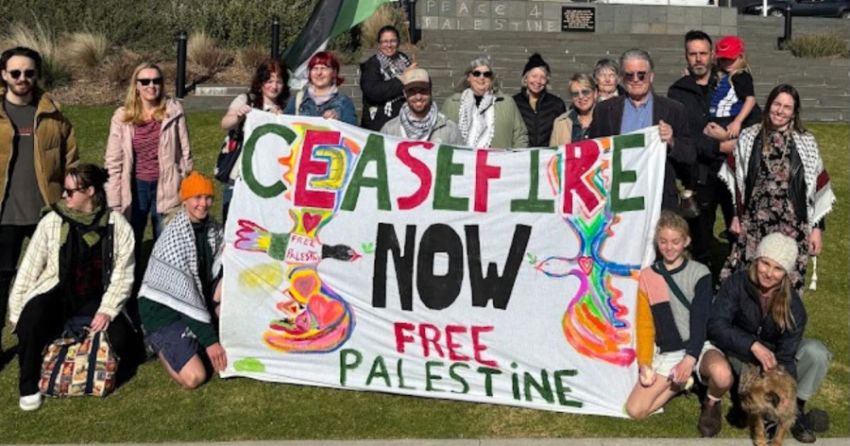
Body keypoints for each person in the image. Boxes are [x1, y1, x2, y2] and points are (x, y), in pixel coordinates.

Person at [8, 164, 139, 411]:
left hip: (96, 297)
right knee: (31, 319)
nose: (64, 196)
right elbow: (30, 268)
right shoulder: (52, 222)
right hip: (58, 294)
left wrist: (107, 310)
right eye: (64, 191)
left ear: (90, 191)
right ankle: (29, 387)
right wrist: (17, 314)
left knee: (121, 339)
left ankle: (86, 364)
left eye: (70, 191)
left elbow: (123, 275)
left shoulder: (117, 225)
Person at [709, 233, 831, 443]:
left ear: (786, 273)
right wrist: (752, 345)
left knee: (817, 352)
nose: (769, 273)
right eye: (765, 263)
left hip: (775, 358)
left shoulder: (794, 307)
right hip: (740, 350)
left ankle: (795, 409)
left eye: (778, 268)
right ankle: (753, 407)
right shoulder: (736, 283)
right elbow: (716, 325)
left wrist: (786, 391)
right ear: (757, 260)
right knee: (747, 371)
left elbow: (786, 356)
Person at [624, 211, 731, 438]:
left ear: (686, 241)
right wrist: (645, 364)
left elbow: (700, 319)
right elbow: (645, 325)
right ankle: (680, 385)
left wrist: (689, 358)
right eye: (663, 242)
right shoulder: (647, 276)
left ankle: (704, 393)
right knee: (635, 410)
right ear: (657, 242)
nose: (669, 247)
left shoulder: (700, 272)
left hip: (698, 345)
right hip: (670, 351)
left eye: (675, 242)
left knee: (722, 375)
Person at [718, 84, 834, 293]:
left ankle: (783, 325)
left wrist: (817, 229)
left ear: (794, 113)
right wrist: (736, 215)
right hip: (755, 223)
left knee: (785, 284)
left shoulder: (806, 142)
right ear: (769, 104)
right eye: (777, 104)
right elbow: (736, 181)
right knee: (749, 279)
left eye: (787, 107)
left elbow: (815, 188)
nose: (780, 111)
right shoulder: (749, 137)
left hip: (792, 225)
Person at [0, 47, 78, 354]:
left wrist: (70, 201)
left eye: (29, 73)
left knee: (53, 277)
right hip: (4, 216)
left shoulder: (53, 116)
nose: (22, 78)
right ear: (4, 75)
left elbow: (71, 160)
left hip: (46, 213)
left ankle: (51, 334)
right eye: (15, 73)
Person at [139, 171, 226, 390]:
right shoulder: (174, 237)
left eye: (208, 198)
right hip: (163, 313)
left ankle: (192, 340)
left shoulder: (212, 228)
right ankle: (156, 342)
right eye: (197, 198)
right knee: (195, 377)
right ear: (185, 200)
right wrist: (211, 343)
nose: (203, 204)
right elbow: (188, 296)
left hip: (193, 302)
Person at [589, 49, 694, 211]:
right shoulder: (604, 110)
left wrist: (672, 141)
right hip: (618, 198)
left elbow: (689, 156)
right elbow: (592, 152)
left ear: (651, 76)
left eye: (641, 75)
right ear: (622, 79)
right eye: (629, 75)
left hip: (659, 199)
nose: (635, 80)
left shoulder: (674, 110)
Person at [667, 30, 736, 270]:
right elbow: (685, 137)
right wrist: (719, 145)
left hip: (731, 172)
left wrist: (732, 138)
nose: (698, 59)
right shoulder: (677, 92)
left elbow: (750, 119)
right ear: (686, 57)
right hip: (699, 175)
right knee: (700, 239)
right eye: (693, 54)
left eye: (703, 54)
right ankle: (704, 286)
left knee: (738, 232)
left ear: (712, 55)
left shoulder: (729, 84)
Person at [104, 62, 193, 247]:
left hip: (167, 184)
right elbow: (113, 161)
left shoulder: (173, 111)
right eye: (145, 81)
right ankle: (133, 277)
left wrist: (185, 185)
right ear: (136, 85)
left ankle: (160, 277)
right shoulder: (122, 117)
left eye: (156, 81)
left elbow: (185, 153)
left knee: (166, 243)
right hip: (135, 187)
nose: (151, 86)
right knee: (130, 243)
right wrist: (114, 199)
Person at [220, 58, 289, 221]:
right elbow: (224, 123)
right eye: (269, 80)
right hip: (238, 176)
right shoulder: (245, 100)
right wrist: (238, 115)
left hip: (268, 180)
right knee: (231, 224)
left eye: (278, 81)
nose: (274, 86)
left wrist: (283, 120)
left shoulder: (286, 109)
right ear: (260, 83)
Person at [441, 56, 528, 149]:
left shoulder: (507, 102)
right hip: (463, 161)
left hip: (498, 162)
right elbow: (441, 136)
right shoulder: (452, 103)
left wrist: (514, 159)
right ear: (468, 78)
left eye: (486, 74)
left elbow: (520, 136)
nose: (482, 77)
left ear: (491, 79)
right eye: (477, 73)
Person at [380, 68, 463, 144]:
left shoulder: (449, 129)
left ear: (430, 91)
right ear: (405, 93)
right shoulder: (390, 129)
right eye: (412, 91)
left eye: (423, 90)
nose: (418, 97)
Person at [359, 25, 414, 131]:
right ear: (379, 44)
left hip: (404, 119)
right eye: (385, 41)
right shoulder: (372, 65)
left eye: (393, 41)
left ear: (398, 42)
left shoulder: (404, 60)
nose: (389, 45)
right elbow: (373, 92)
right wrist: (401, 80)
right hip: (380, 121)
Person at [284, 51, 356, 125]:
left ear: (334, 72)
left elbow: (352, 131)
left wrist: (338, 121)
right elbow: (284, 127)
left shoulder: (344, 103)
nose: (319, 73)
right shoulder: (297, 101)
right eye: (315, 68)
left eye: (324, 68)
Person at [708, 35, 757, 140]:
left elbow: (751, 99)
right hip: (715, 117)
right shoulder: (721, 73)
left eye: (731, 59)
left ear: (740, 57)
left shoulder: (741, 76)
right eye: (723, 59)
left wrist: (737, 121)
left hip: (729, 119)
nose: (727, 63)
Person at [512, 53, 565, 147]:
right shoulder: (514, 103)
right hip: (521, 158)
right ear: (526, 78)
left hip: (548, 159)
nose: (538, 81)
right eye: (534, 76)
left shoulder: (557, 104)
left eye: (542, 77)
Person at [550, 73, 597, 146]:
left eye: (585, 92)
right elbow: (553, 155)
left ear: (595, 93)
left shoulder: (607, 119)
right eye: (575, 94)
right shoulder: (560, 123)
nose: (581, 97)